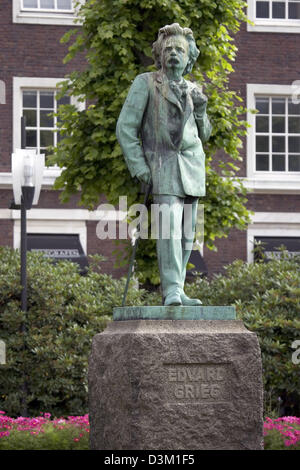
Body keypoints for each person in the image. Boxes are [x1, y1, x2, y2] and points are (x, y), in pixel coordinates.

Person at [116, 23, 212, 306]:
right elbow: (125, 127)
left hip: (192, 167)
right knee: (168, 224)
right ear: (160, 55)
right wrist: (139, 166)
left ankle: (179, 289)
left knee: (186, 234)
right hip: (162, 164)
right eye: (168, 49)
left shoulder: (195, 89)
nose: (173, 54)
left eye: (180, 50)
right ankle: (171, 289)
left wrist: (203, 109)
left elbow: (204, 134)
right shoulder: (145, 83)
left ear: (189, 57)